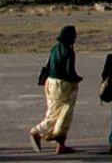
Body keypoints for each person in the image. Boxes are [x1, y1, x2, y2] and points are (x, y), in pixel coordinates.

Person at [30, 25, 83, 155]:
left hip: (51, 83)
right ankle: (38, 131)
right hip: (63, 85)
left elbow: (48, 66)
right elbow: (68, 71)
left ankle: (61, 145)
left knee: (54, 110)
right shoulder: (68, 51)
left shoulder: (54, 49)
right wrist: (76, 80)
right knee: (62, 113)